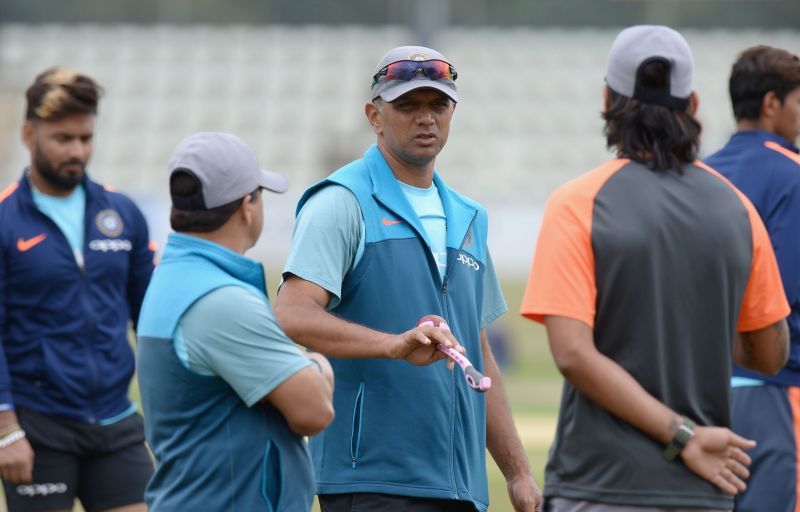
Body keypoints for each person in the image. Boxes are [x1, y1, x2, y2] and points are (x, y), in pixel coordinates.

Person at [520, 26, 791, 511]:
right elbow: (770, 353)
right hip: (705, 491)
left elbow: (573, 355)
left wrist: (681, 436)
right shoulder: (737, 208)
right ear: (692, 104)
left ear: (608, 98)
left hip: (597, 486)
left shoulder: (576, 203)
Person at [275, 45, 541, 512]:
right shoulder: (341, 202)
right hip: (372, 481)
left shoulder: (468, 217)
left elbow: (478, 355)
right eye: (408, 106)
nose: (426, 118)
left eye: (438, 105)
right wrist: (392, 344)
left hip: (462, 488)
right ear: (374, 116)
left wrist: (517, 474)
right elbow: (292, 314)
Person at [136, 132, 335, 511]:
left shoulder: (175, 278)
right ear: (247, 206)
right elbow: (314, 411)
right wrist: (317, 365)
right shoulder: (222, 301)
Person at [0, 67, 155, 512]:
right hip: (37, 425)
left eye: (85, 139)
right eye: (63, 139)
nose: (77, 151)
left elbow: (150, 320)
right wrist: (6, 429)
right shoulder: (6, 220)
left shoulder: (123, 213)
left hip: (115, 419)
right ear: (29, 134)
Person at [703, 45, 800, 512]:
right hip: (778, 390)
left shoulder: (697, 174)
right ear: (770, 103)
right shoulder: (795, 175)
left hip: (694, 393)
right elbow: (787, 289)